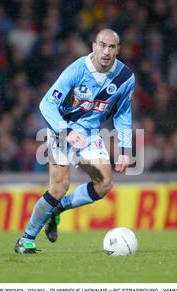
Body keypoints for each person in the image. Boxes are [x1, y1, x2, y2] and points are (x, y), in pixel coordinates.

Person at [15, 29, 135, 254]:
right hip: (62, 131)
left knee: (104, 184)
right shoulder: (77, 70)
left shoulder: (125, 77)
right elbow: (46, 105)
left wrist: (125, 149)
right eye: (102, 45)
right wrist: (66, 130)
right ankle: (26, 239)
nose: (106, 51)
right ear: (93, 46)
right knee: (59, 188)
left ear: (118, 50)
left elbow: (123, 115)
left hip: (90, 134)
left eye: (112, 47)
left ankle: (57, 210)